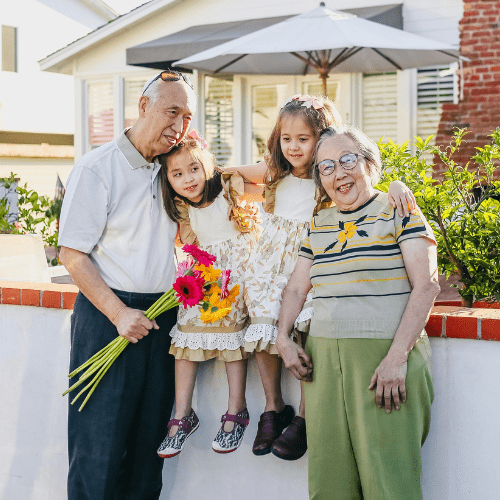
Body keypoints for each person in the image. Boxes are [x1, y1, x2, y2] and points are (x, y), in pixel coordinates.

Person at [227, 94, 417, 461]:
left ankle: (303, 414)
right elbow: (230, 176)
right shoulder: (274, 177)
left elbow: (368, 181)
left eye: (304, 139)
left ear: (322, 138)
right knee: (263, 319)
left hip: (313, 264)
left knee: (310, 322)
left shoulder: (328, 178)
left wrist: (396, 185)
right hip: (270, 265)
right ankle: (272, 406)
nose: (294, 147)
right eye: (286, 139)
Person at [276, 125, 440, 499]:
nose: (339, 173)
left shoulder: (399, 210)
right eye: (327, 167)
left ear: (369, 163)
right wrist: (282, 337)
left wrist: (397, 359)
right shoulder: (317, 224)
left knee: (389, 482)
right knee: (329, 483)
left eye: (347, 160)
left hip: (384, 362)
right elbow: (297, 288)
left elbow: (427, 285)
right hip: (322, 366)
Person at [58, 70, 196, 500]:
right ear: (142, 106)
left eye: (187, 117)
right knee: (98, 452)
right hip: (108, 321)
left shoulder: (172, 169)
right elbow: (72, 254)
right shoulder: (97, 168)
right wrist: (119, 314)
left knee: (145, 454)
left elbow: (242, 181)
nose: (180, 125)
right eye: (172, 112)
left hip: (162, 322)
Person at [156, 133, 261, 457]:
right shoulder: (181, 209)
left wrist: (230, 171)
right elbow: (186, 246)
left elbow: (271, 172)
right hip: (205, 276)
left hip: (239, 276)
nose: (187, 179)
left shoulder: (228, 187)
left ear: (207, 167)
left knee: (231, 332)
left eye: (194, 169)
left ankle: (236, 411)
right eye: (177, 174)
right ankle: (182, 415)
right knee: (185, 332)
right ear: (168, 180)